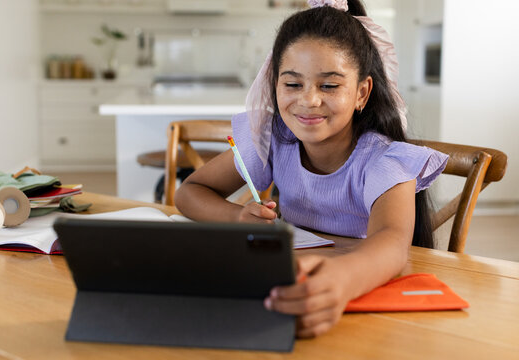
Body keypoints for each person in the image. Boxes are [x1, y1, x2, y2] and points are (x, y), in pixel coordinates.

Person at [175, 0, 449, 338]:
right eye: (292, 84)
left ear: (362, 92)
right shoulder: (274, 139)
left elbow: (392, 244)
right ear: (273, 86)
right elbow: (189, 192)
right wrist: (236, 217)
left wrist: (342, 279)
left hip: (365, 299)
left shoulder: (386, 161)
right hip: (291, 285)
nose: (309, 100)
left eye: (329, 85)